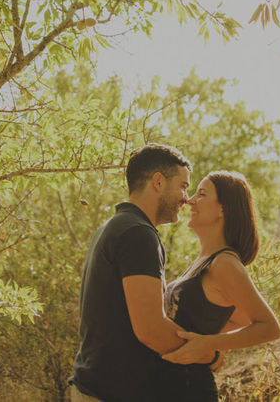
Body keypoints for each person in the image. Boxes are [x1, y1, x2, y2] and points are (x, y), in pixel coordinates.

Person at [70, 144, 219, 402]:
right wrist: (209, 354)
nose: (186, 197)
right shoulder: (138, 234)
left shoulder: (115, 226)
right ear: (158, 182)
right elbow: (151, 329)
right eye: (183, 186)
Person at [157, 170, 280, 401]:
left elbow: (269, 327)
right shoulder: (205, 260)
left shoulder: (224, 263)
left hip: (189, 387)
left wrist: (210, 343)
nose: (189, 200)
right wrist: (214, 342)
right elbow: (241, 318)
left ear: (223, 209)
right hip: (173, 385)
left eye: (201, 194)